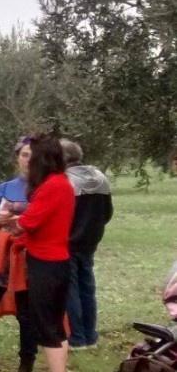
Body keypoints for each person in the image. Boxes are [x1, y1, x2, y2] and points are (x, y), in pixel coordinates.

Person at [0, 134, 76, 372]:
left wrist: (15, 223)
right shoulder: (57, 184)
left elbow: (31, 220)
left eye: (33, 155)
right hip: (50, 261)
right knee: (53, 327)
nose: (28, 161)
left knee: (49, 329)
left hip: (47, 264)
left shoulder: (53, 186)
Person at [0, 137, 37, 372]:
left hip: (28, 258)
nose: (29, 160)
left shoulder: (45, 187)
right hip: (1, 256)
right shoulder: (5, 187)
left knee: (26, 314)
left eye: (34, 155)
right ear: (17, 157)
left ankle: (26, 368)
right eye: (25, 154)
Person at [61, 140, 113, 349]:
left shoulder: (64, 180)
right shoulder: (100, 177)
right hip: (90, 242)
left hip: (67, 243)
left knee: (70, 289)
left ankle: (76, 337)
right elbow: (107, 212)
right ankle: (90, 336)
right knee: (87, 288)